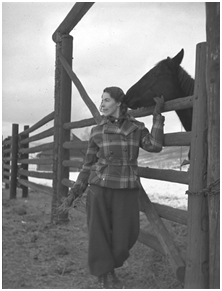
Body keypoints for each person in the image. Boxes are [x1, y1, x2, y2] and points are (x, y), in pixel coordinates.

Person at [67, 87, 165, 288]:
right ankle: (104, 274)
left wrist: (157, 117)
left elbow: (154, 145)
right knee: (98, 233)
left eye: (106, 100)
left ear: (119, 103)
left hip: (126, 187)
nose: (102, 104)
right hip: (99, 187)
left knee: (127, 235)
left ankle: (110, 266)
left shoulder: (137, 127)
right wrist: (76, 189)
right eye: (101, 100)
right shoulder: (97, 130)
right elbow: (88, 164)